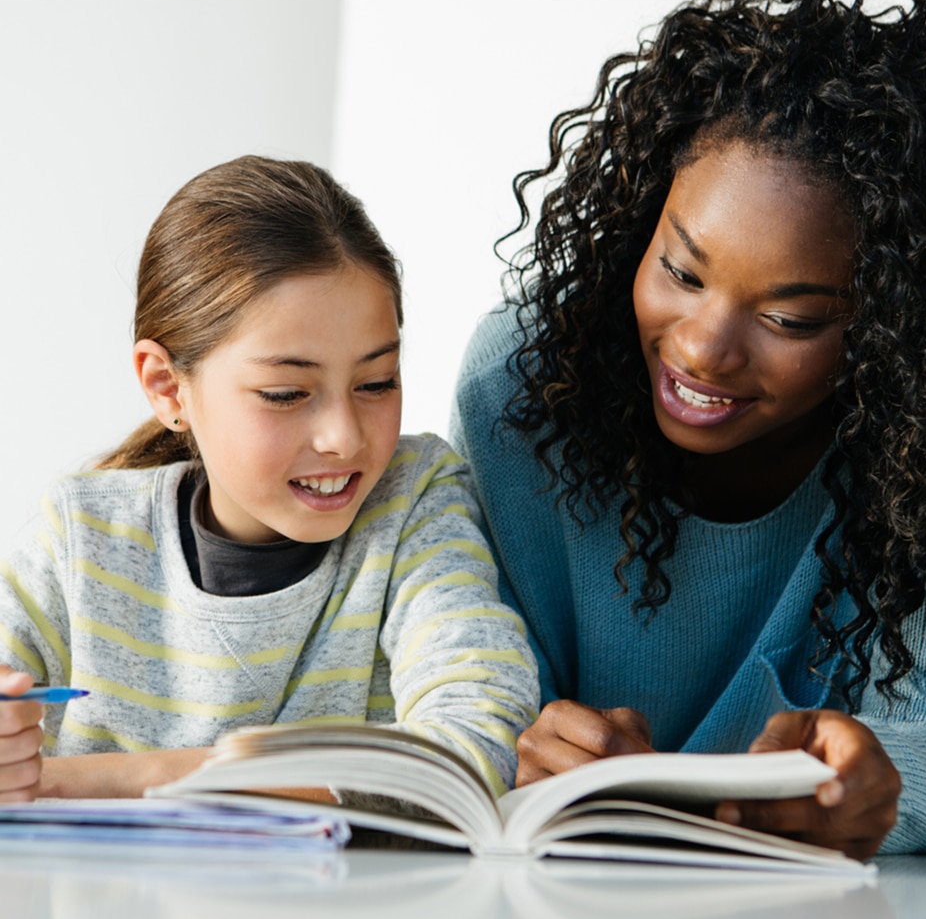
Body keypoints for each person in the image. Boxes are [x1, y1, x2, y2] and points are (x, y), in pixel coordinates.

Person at [452, 0, 926, 859]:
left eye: (791, 320)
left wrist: (876, 784)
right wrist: (522, 743)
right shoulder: (521, 389)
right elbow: (460, 659)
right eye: (680, 269)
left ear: (900, 334)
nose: (704, 350)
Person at [0, 156, 538, 803]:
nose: (343, 436)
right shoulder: (82, 538)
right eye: (285, 393)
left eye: (376, 383)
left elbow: (475, 744)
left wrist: (115, 777)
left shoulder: (414, 502)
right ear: (167, 386)